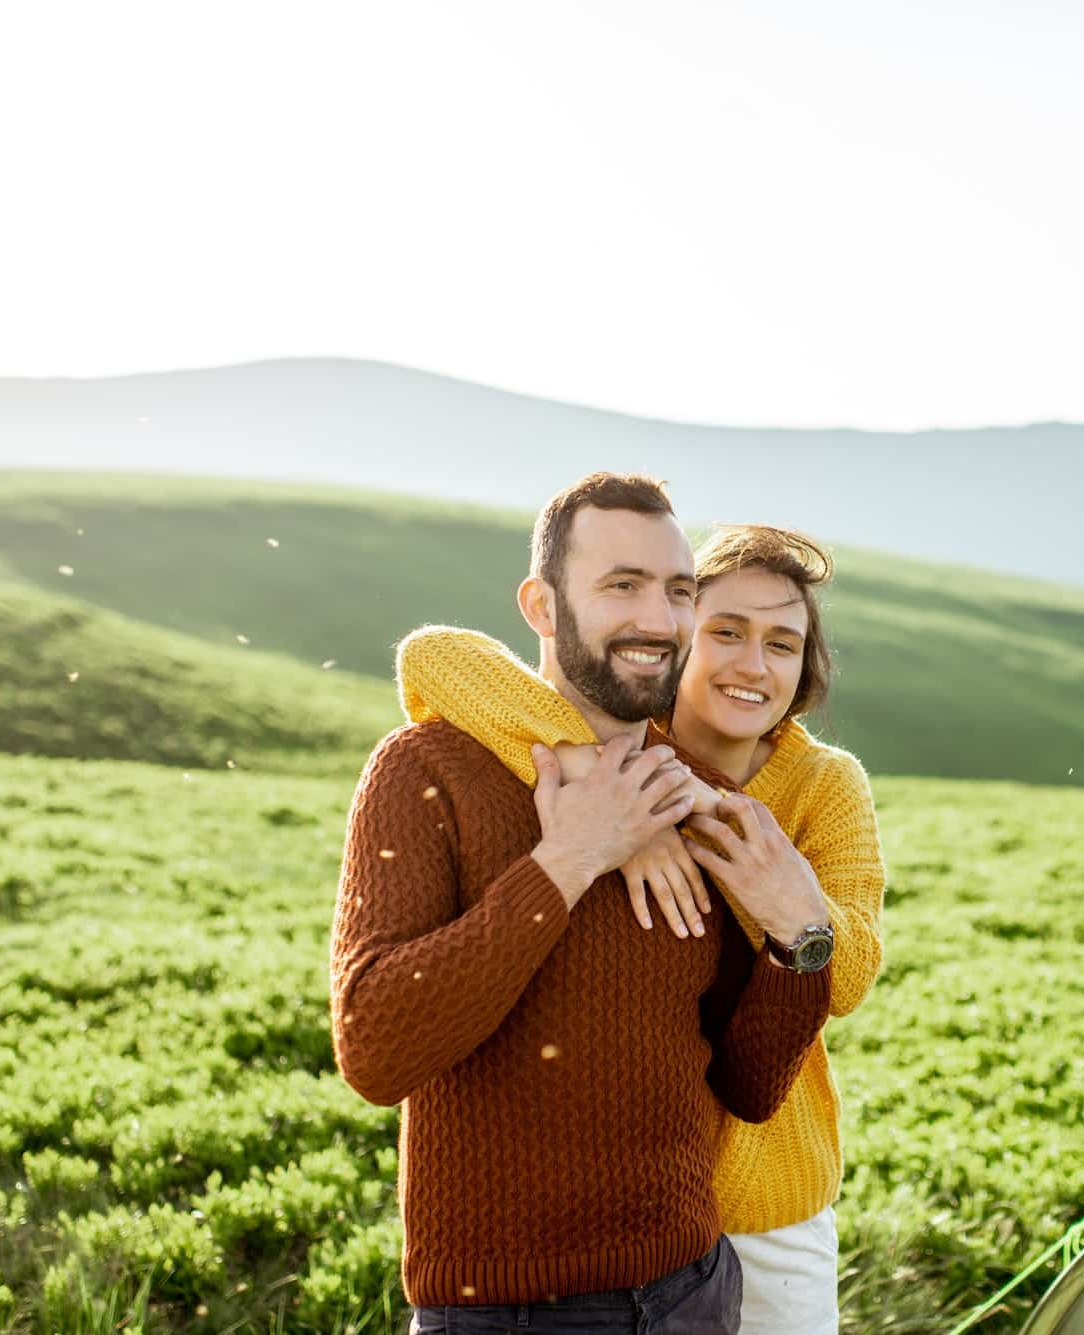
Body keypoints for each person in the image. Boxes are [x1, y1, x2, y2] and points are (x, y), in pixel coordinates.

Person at [329, 473, 836, 1334]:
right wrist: (569, 858)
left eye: (678, 591)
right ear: (541, 603)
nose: (658, 618)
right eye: (621, 585)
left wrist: (801, 938)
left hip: (694, 1290)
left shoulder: (700, 801)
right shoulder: (428, 771)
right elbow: (376, 1049)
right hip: (505, 1312)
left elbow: (747, 1086)